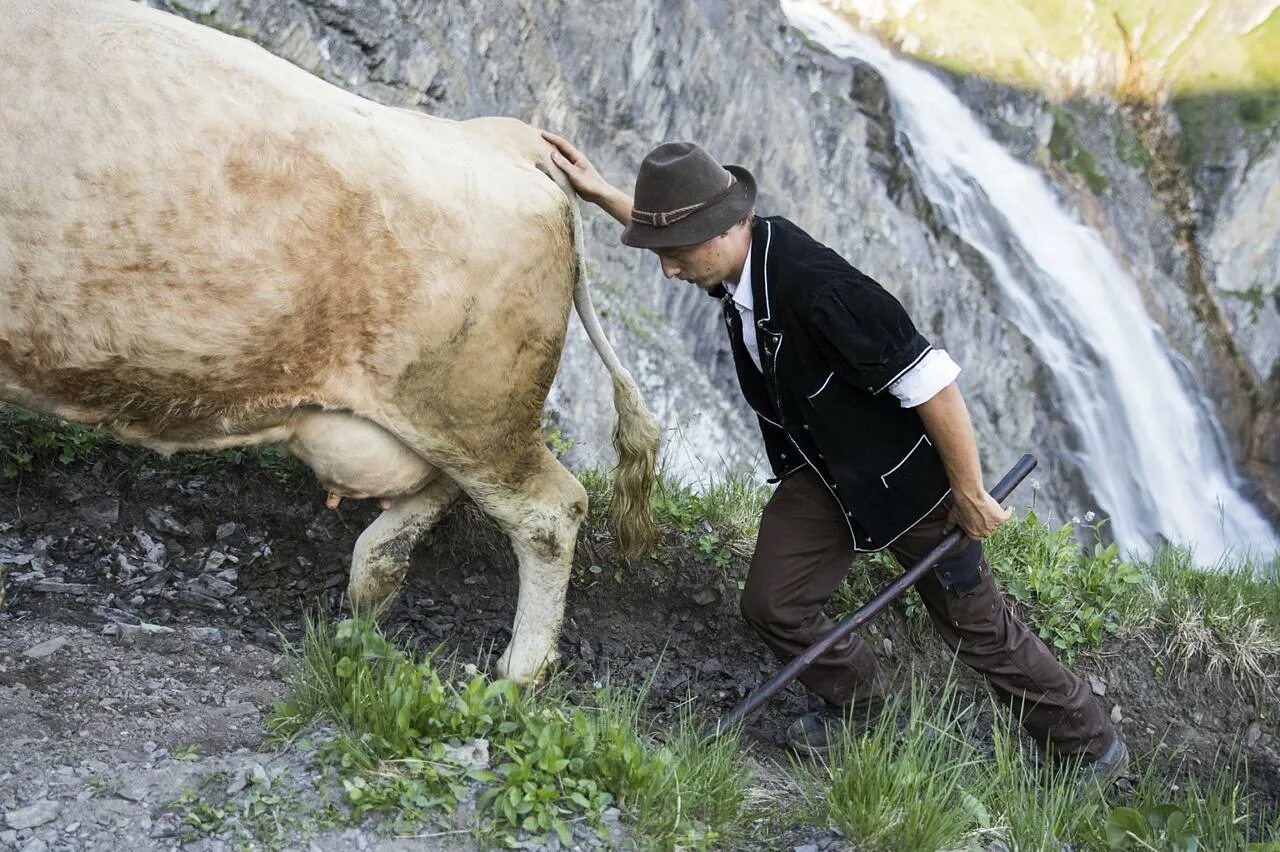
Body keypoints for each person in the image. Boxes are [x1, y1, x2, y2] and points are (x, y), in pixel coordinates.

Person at [542, 132, 1128, 783]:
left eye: (674, 255)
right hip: (825, 473)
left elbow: (933, 382)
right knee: (772, 601)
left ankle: (1091, 746)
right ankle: (864, 709)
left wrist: (968, 491)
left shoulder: (819, 288)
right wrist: (603, 194)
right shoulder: (737, 265)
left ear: (726, 229)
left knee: (977, 627)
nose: (668, 271)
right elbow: (685, 239)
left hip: (911, 488)